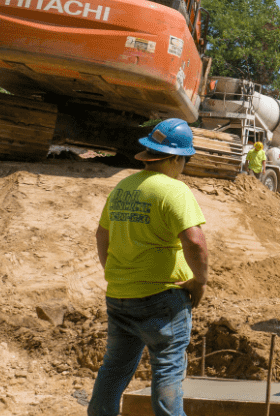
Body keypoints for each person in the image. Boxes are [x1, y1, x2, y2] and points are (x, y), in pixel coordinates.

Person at [88, 118, 208, 416]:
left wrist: (118, 275)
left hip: (120, 296)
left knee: (114, 368)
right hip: (162, 299)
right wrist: (200, 281)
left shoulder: (122, 187)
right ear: (176, 158)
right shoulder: (174, 191)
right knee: (167, 370)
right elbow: (195, 242)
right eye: (185, 159)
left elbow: (102, 234)